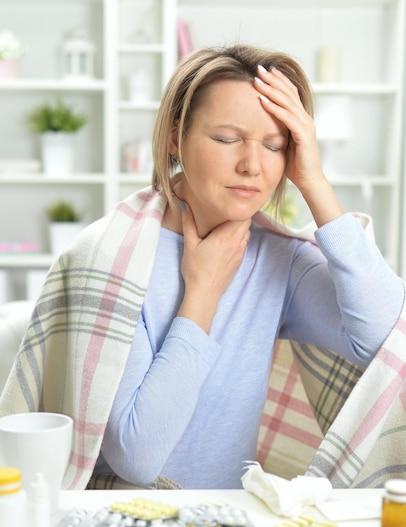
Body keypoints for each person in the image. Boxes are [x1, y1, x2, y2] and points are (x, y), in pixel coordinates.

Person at [0, 44, 404, 491]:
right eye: (227, 139)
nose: (252, 165)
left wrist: (315, 182)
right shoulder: (108, 259)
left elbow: (386, 335)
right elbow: (138, 458)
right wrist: (203, 292)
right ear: (176, 138)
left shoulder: (276, 258)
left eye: (274, 145)